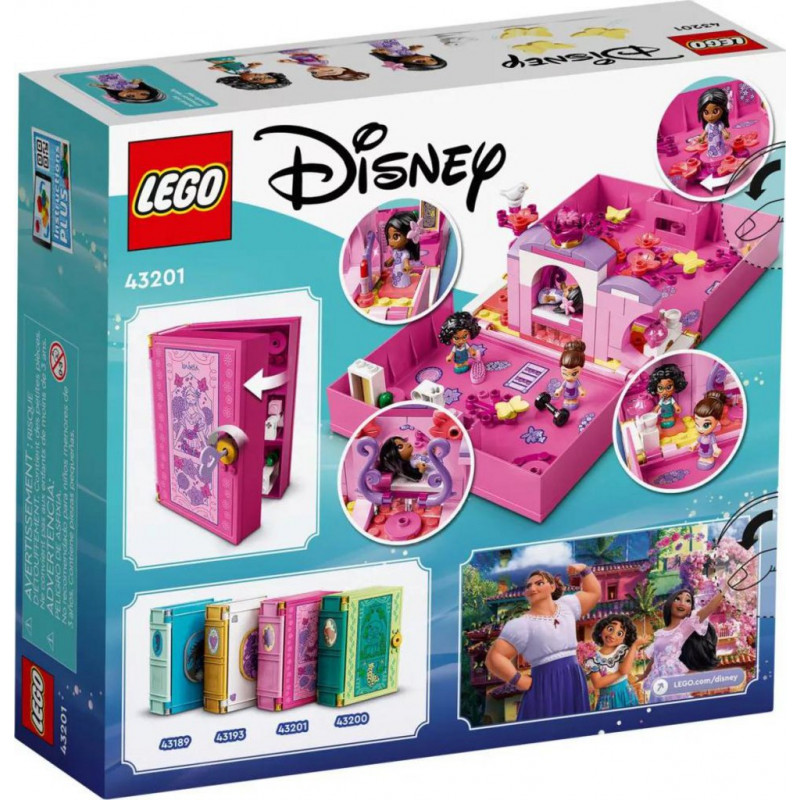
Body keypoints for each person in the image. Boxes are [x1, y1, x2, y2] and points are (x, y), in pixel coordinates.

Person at [485, 565, 600, 720]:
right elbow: (494, 657)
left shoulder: (568, 606)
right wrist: (518, 680)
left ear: (552, 587)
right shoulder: (521, 624)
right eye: (528, 586)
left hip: (573, 677)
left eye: (539, 583)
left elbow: (593, 593)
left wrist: (584, 569)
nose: (532, 588)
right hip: (544, 682)